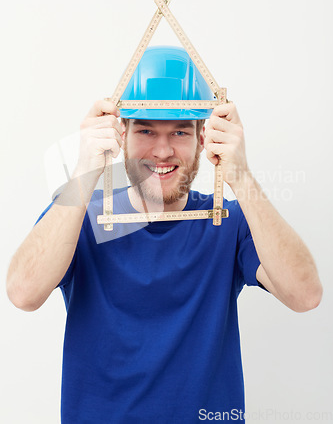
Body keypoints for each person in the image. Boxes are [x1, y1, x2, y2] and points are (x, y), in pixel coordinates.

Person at [7, 46, 322, 423]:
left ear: (203, 138)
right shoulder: (81, 217)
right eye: (145, 129)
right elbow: (22, 294)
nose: (162, 150)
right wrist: (84, 173)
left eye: (179, 130)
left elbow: (305, 295)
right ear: (120, 133)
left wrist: (242, 176)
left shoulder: (229, 222)